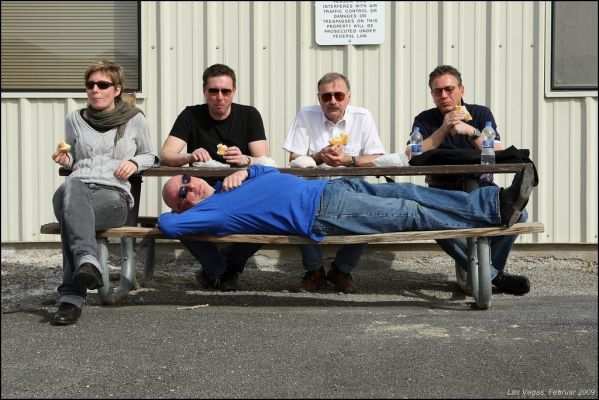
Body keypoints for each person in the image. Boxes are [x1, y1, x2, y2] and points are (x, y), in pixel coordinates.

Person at [157, 166, 534, 263]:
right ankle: (495, 214)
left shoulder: (228, 186)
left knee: (408, 190)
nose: (190, 186)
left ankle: (494, 204)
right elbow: (167, 224)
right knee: (408, 212)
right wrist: (171, 213)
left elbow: (267, 171)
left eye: (186, 179)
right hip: (324, 212)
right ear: (183, 205)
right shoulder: (210, 213)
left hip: (333, 188)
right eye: (182, 193)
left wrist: (247, 170)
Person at [406, 64, 530, 295]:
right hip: (442, 190)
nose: (444, 95)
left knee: (519, 214)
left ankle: (483, 274)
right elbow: (412, 153)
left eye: (449, 89)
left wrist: (471, 131)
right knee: (432, 220)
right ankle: (493, 276)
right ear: (432, 95)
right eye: (437, 91)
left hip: (481, 186)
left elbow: (498, 150)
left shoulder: (480, 114)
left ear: (461, 90)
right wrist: (444, 128)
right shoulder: (425, 119)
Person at [50, 60, 158, 325]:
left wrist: (134, 163)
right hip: (76, 189)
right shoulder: (75, 119)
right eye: (90, 85)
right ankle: (87, 261)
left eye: (102, 85)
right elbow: (76, 159)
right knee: (72, 187)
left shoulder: (135, 120)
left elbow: (150, 155)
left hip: (113, 196)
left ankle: (72, 296)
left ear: (117, 89)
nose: (95, 90)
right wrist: (66, 160)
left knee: (71, 216)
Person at [159, 63, 268, 292]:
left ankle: (226, 267)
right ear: (204, 91)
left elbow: (264, 159)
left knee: (267, 216)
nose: (220, 97)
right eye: (213, 91)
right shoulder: (191, 115)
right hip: (201, 195)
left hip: (240, 193)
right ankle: (222, 269)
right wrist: (189, 156)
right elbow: (166, 154)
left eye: (225, 91)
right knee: (176, 217)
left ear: (234, 91)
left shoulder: (249, 115)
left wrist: (245, 159)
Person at [282, 72, 385, 293]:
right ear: (318, 98)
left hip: (350, 187)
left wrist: (348, 160)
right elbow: (294, 158)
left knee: (370, 211)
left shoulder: (362, 117)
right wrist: (319, 156)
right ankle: (315, 271)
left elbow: (377, 158)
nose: (333, 101)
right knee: (295, 206)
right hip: (314, 186)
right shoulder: (306, 114)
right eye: (326, 96)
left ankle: (341, 269)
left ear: (348, 97)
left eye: (338, 95)